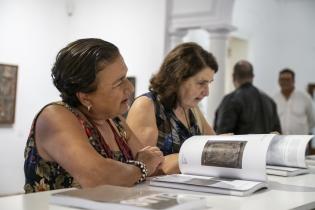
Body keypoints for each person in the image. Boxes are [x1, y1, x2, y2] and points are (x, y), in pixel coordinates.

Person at [23, 38, 164, 193]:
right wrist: (141, 168)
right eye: (118, 82)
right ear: (85, 97)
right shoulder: (55, 117)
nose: (130, 88)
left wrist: (141, 167)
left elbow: (155, 166)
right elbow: (98, 177)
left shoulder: (115, 121)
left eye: (125, 77)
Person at [126, 42, 218, 173]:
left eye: (209, 83)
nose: (206, 92)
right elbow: (143, 168)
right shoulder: (146, 106)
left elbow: (213, 146)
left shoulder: (191, 108)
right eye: (201, 83)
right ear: (177, 78)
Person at [214, 60, 281, 134]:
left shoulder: (230, 100)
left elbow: (222, 136)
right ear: (252, 76)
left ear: (233, 76)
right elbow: (277, 134)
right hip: (264, 145)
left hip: (243, 146)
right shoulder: (269, 101)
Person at [273, 68, 315, 134]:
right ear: (278, 81)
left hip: (300, 141)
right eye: (282, 80)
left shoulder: (305, 98)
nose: (284, 82)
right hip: (279, 140)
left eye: (287, 80)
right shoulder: (273, 99)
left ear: (293, 81)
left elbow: (312, 120)